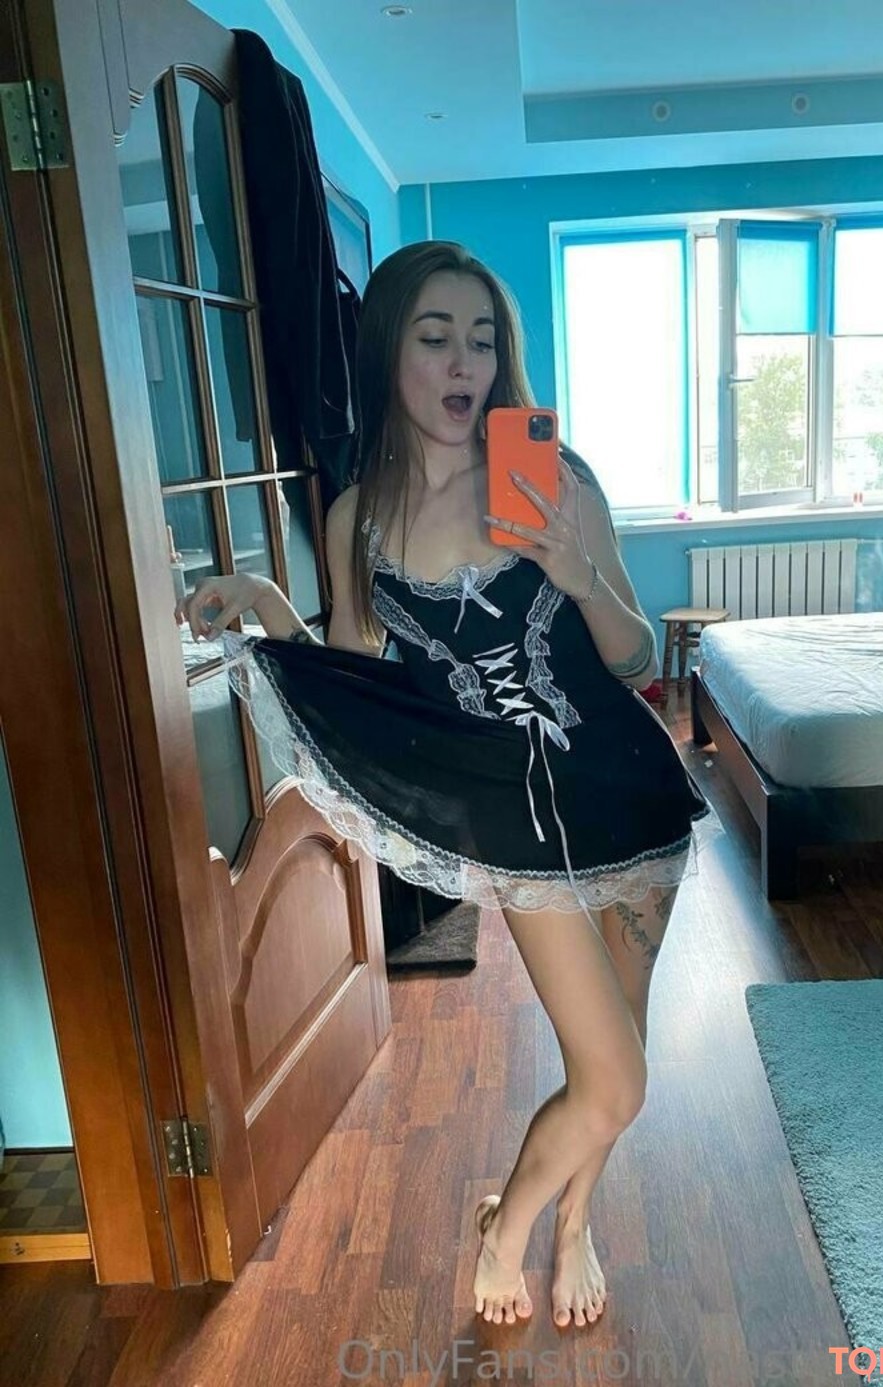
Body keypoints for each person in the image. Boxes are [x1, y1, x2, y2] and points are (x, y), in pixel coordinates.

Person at [175, 241, 715, 1329]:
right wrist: (268, 603)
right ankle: (507, 1228)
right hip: (514, 821)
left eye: (482, 339)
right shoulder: (358, 521)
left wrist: (575, 571)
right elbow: (361, 681)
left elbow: (631, 653)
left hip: (626, 791)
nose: (465, 363)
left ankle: (574, 1223)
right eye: (436, 338)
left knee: (612, 1061)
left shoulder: (556, 478)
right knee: (615, 1081)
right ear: (391, 352)